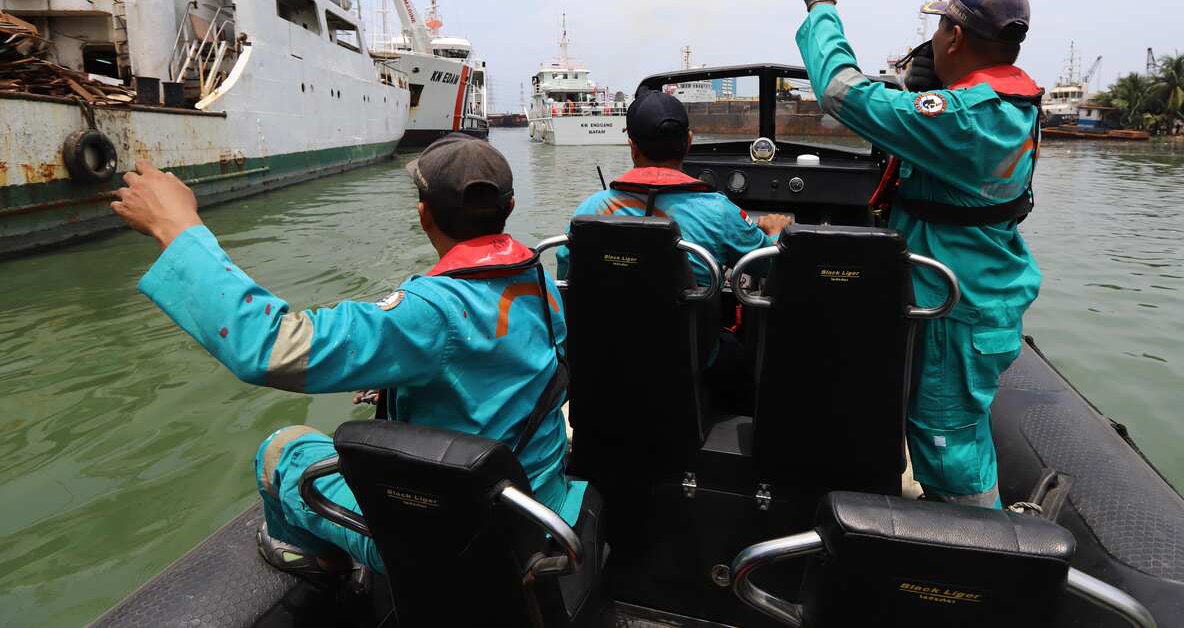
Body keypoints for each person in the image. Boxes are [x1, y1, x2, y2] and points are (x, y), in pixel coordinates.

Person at [110, 135, 580, 581]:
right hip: (540, 510)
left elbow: (270, 347)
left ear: (423, 214)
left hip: (457, 540)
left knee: (283, 450)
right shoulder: (536, 280)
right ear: (509, 208)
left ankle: (318, 561)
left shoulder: (427, 312)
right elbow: (500, 365)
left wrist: (177, 227)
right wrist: (399, 383)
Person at [792, 0, 1042, 508]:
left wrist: (821, 3)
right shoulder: (1008, 106)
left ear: (954, 36)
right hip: (977, 291)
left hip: (956, 310)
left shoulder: (962, 118)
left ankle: (975, 549)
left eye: (939, 28)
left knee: (949, 451)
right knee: (958, 434)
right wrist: (932, 87)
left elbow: (840, 91)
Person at [555, 89, 789, 287]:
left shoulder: (591, 210)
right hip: (692, 330)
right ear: (689, 142)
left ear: (633, 148)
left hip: (603, 329)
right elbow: (772, 265)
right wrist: (776, 233)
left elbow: (566, 270)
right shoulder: (719, 211)